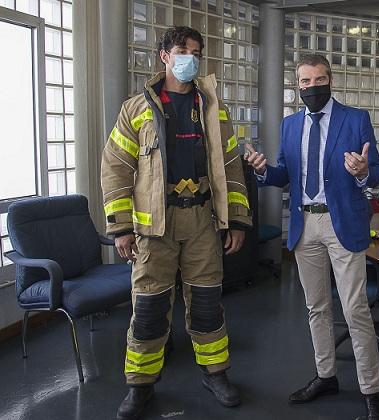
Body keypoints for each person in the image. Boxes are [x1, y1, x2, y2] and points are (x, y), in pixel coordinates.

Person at [100, 26, 252, 420]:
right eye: (183, 50)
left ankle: (215, 373)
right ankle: (140, 385)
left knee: (206, 305)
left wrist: (236, 218)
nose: (191, 58)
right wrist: (120, 227)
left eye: (197, 52)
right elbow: (116, 169)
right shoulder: (135, 109)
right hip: (155, 230)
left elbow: (232, 167)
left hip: (202, 220)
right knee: (148, 310)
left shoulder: (214, 108)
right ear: (164, 55)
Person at [244, 54, 379, 419]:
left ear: (330, 80)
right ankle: (326, 376)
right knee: (316, 308)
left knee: (355, 310)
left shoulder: (356, 119)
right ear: (298, 86)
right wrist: (263, 171)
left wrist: (362, 170)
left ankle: (371, 391)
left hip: (343, 225)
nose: (311, 87)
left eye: (318, 80)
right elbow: (283, 174)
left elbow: (375, 174)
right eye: (304, 82)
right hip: (304, 225)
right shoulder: (290, 124)